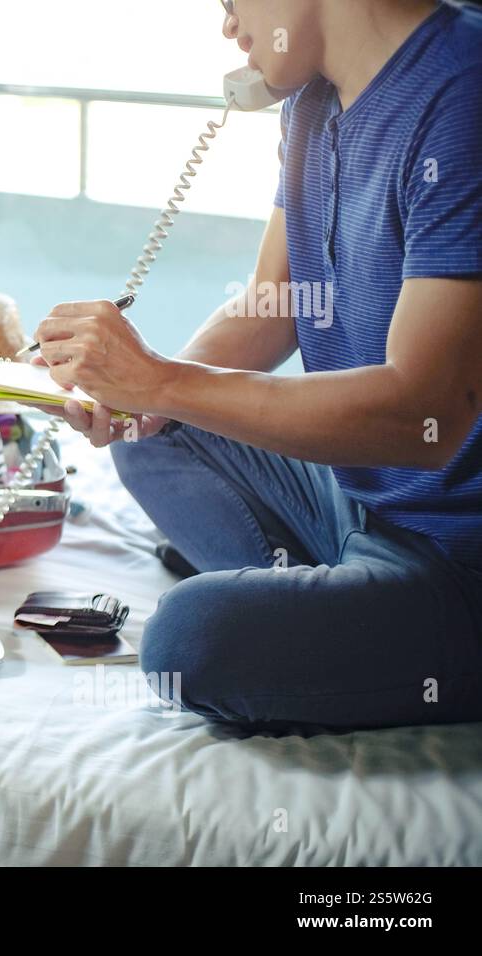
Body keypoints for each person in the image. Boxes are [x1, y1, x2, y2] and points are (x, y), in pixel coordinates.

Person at [30, 0, 482, 732]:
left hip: (457, 555)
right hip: (356, 499)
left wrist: (163, 382)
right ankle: (336, 604)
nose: (228, 23)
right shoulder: (311, 97)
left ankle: (345, 615)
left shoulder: (464, 95)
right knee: (162, 435)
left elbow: (423, 419)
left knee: (189, 640)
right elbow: (277, 302)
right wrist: (143, 389)